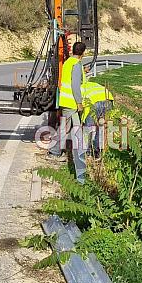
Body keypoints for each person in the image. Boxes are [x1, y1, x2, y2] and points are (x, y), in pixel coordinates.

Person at [48, 41, 87, 183]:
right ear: (83, 53)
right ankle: (81, 174)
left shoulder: (68, 62)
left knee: (65, 128)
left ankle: (55, 151)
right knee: (76, 132)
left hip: (65, 101)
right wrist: (79, 102)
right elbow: (75, 85)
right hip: (72, 103)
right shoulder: (76, 64)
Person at [81, 80, 114, 155]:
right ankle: (97, 150)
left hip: (95, 102)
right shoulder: (93, 84)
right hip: (109, 99)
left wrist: (83, 119)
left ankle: (88, 151)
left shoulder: (80, 88)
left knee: (89, 127)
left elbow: (82, 105)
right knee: (101, 127)